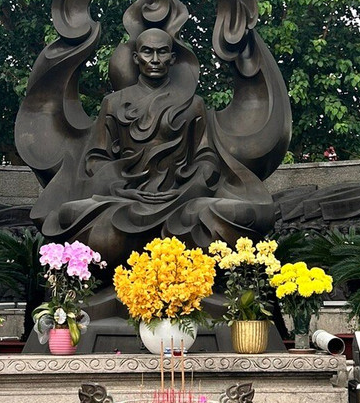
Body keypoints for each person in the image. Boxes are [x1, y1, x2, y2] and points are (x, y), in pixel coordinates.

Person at [32, 27, 274, 266]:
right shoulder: (113, 103)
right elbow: (96, 160)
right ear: (136, 58)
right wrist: (122, 188)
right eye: (148, 52)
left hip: (181, 201)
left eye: (162, 52)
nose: (155, 60)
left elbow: (206, 159)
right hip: (125, 200)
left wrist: (188, 187)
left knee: (239, 213)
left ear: (172, 58)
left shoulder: (193, 104)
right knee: (69, 214)